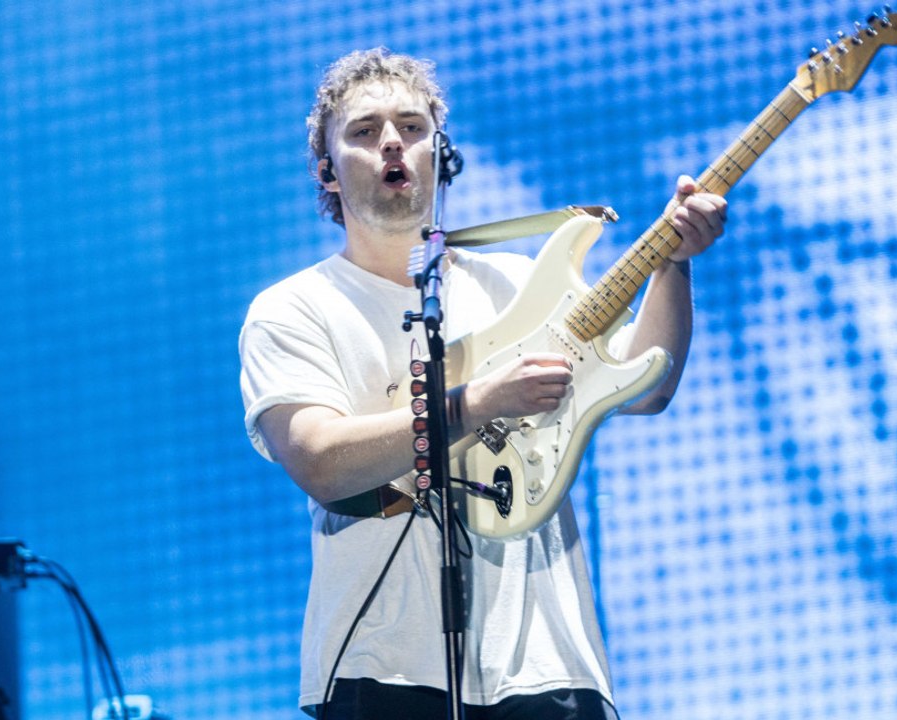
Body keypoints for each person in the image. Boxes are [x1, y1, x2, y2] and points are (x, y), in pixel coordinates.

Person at [239, 48, 726, 720]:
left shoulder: (522, 284)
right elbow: (321, 461)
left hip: (549, 661)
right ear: (326, 169)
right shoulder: (293, 308)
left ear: (440, 152)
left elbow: (646, 387)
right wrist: (476, 403)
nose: (392, 142)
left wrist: (672, 265)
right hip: (381, 666)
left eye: (411, 127)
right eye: (363, 130)